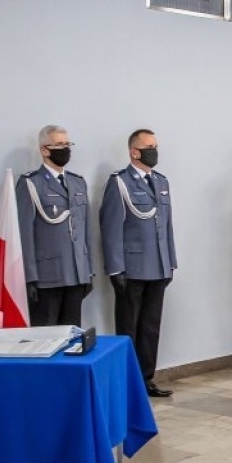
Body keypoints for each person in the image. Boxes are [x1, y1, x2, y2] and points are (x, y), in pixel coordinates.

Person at [100, 129, 175, 398]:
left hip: (157, 267)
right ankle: (128, 384)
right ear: (134, 151)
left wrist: (171, 263)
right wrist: (115, 268)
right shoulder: (120, 182)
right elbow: (111, 228)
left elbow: (167, 227)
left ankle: (146, 379)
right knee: (128, 328)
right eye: (148, 146)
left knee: (151, 328)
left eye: (156, 145)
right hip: (131, 269)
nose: (154, 150)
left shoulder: (161, 182)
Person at [17, 124, 92, 327]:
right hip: (47, 276)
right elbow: (24, 234)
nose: (65, 149)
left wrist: (87, 270)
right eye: (59, 144)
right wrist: (30, 277)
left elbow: (86, 231)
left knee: (72, 336)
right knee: (46, 337)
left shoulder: (78, 183)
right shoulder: (31, 183)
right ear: (44, 150)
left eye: (68, 144)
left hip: (76, 273)